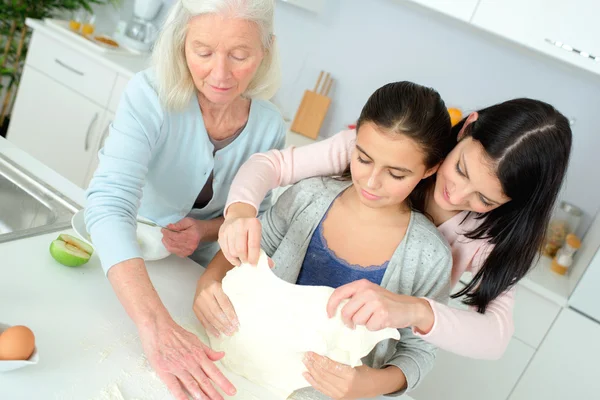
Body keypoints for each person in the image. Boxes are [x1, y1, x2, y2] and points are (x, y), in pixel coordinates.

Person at [219, 97, 573, 360]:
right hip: (268, 330)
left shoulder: (486, 240)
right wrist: (239, 211)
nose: (456, 194)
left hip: (351, 360)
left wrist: (415, 310)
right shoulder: (383, 155)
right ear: (466, 128)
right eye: (462, 169)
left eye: (484, 198)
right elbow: (273, 165)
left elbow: (495, 337)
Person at [194, 81, 455, 398]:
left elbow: (419, 351)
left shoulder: (429, 256)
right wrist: (209, 281)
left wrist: (370, 383)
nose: (371, 181)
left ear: (429, 169)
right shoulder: (308, 196)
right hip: (243, 379)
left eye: (396, 174)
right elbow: (248, 251)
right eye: (363, 158)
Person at [84, 1, 284, 399]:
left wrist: (207, 231)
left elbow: (256, 217)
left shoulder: (269, 126)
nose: (220, 74)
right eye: (204, 52)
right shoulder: (150, 95)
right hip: (129, 261)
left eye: (240, 55)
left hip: (197, 281)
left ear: (265, 51)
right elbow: (109, 202)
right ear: (181, 45)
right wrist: (156, 326)